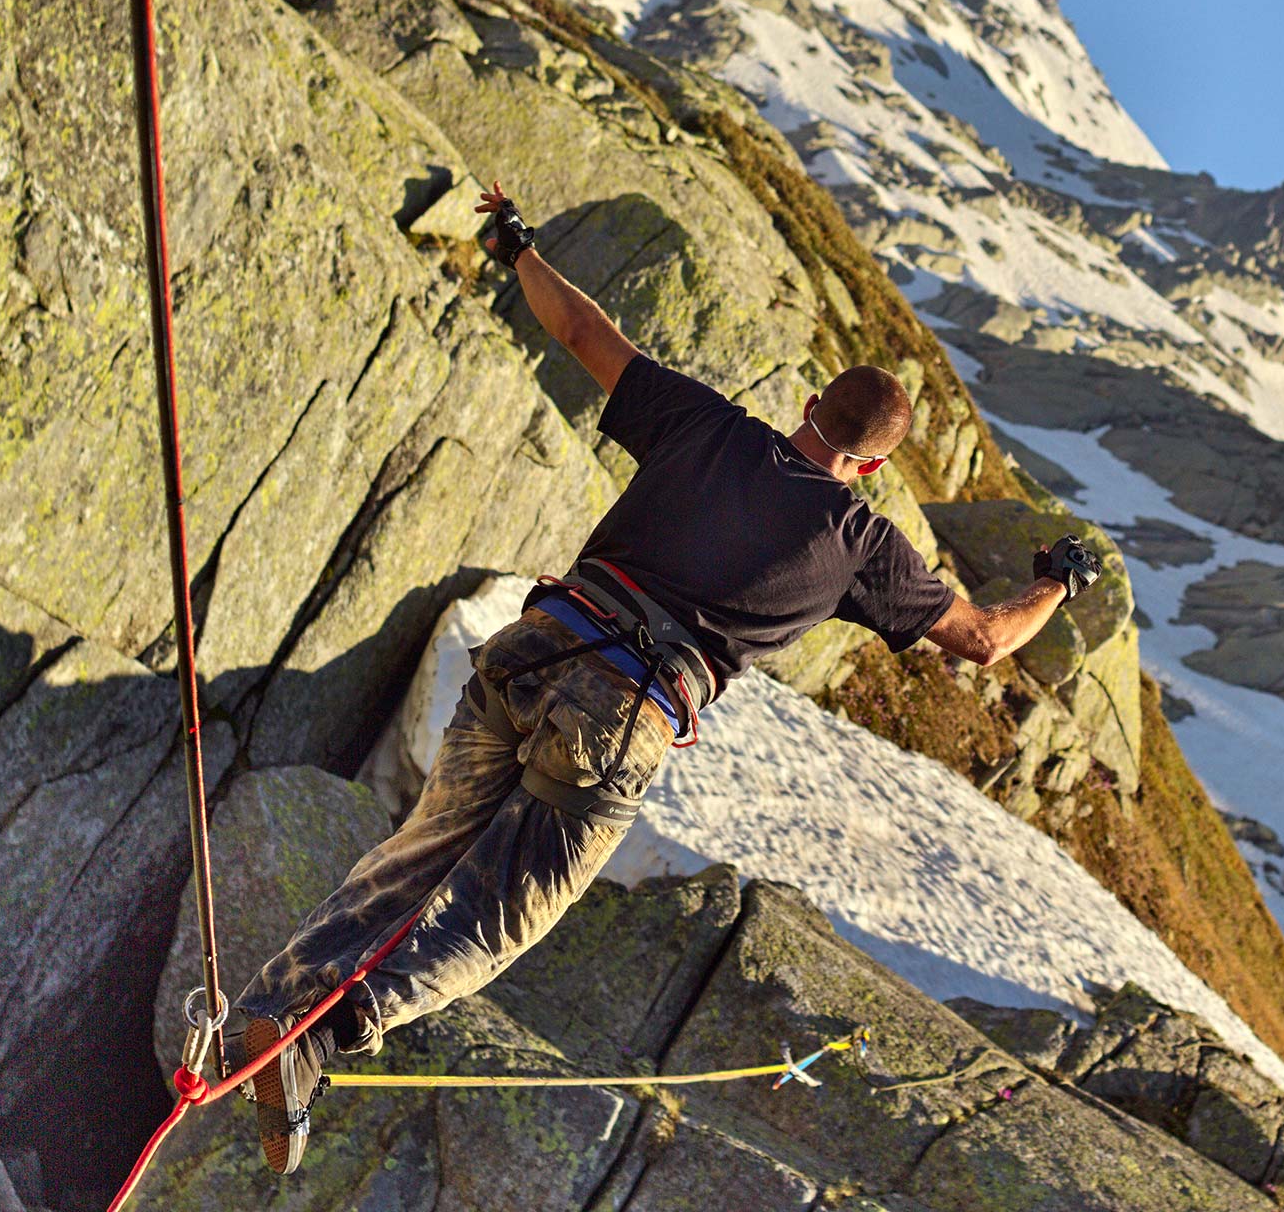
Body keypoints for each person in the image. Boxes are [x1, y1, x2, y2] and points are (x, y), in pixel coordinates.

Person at [230, 180, 1103, 1173]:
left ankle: (265, 1010)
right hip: (622, 715)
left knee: (416, 852)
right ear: (870, 464)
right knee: (500, 912)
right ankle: (320, 1041)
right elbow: (984, 637)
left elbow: (583, 331)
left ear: (810, 407)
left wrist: (519, 245)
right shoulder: (861, 540)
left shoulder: (709, 423)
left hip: (534, 647)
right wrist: (1054, 584)